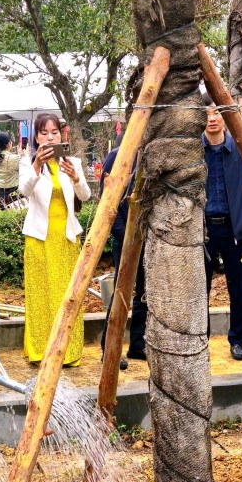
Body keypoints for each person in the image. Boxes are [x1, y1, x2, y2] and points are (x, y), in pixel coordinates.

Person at [20, 113, 91, 365]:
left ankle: (68, 353)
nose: (50, 137)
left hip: (67, 238)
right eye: (44, 133)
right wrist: (37, 167)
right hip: (39, 238)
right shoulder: (27, 163)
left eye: (55, 132)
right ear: (36, 138)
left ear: (62, 135)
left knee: (67, 294)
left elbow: (85, 195)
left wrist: (75, 177)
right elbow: (23, 191)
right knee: (41, 294)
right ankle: (40, 351)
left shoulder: (73, 162)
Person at [202, 98, 242, 361]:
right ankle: (201, 341)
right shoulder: (194, 151)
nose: (212, 118)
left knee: (238, 287)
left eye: (217, 112)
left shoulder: (240, 149)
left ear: (225, 116)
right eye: (207, 113)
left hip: (235, 229)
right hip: (202, 232)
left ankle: (237, 340)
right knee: (199, 289)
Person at [100, 146, 147, 367]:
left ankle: (138, 345)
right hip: (125, 236)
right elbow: (108, 198)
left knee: (145, 293)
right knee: (121, 292)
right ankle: (109, 348)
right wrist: (123, 234)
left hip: (150, 235)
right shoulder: (118, 156)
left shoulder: (153, 151)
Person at [0, 131, 21, 207]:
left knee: (3, 217)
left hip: (0, 193)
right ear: (8, 144)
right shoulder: (15, 158)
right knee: (17, 217)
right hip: (14, 193)